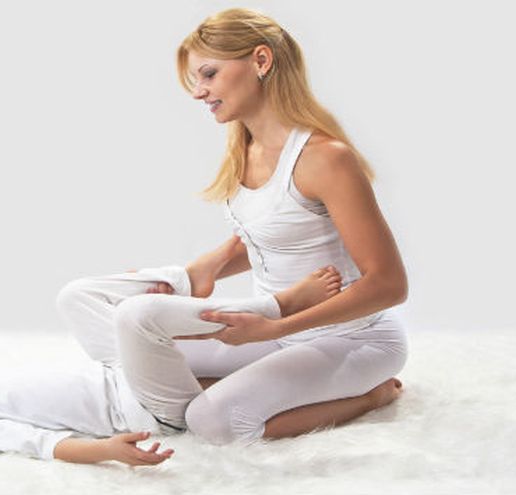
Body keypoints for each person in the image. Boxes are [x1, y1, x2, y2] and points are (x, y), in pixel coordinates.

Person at [117, 7, 408, 445]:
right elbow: (273, 234)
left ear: (261, 60)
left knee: (213, 422)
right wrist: (197, 273)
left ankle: (371, 396)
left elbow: (389, 285)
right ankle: (254, 388)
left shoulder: (325, 158)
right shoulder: (245, 150)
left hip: (353, 339)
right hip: (277, 332)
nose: (199, 92)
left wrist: (275, 329)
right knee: (135, 357)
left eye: (209, 74)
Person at [0, 265, 354, 465]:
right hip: (144, 404)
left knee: (75, 296)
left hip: (119, 374)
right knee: (138, 319)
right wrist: (106, 451)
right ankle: (280, 306)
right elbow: (43, 445)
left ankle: (191, 276)